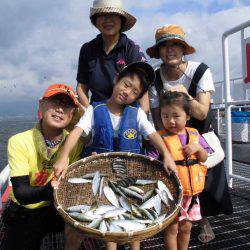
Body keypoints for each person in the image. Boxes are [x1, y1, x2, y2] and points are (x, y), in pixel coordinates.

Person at [53, 61, 177, 250]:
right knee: (109, 227)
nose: (128, 92)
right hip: (100, 179)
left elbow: (153, 136)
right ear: (116, 80)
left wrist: (166, 155)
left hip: (131, 179)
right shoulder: (94, 110)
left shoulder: (137, 114)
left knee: (135, 225)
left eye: (135, 92)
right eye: (126, 85)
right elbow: (76, 132)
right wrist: (63, 158)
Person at [146, 24, 233, 243]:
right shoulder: (155, 78)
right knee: (177, 178)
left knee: (201, 178)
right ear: (158, 52)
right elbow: (157, 118)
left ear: (184, 48)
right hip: (171, 131)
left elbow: (202, 113)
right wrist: (166, 146)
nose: (170, 49)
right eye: (164, 46)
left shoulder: (200, 70)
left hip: (200, 133)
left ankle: (204, 221)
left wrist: (185, 95)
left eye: (176, 44)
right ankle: (173, 217)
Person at [1, 84, 83, 250]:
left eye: (66, 106)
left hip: (57, 210)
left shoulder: (76, 145)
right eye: (55, 102)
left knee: (79, 226)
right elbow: (21, 193)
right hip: (26, 210)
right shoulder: (19, 141)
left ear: (72, 114)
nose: (60, 109)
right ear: (41, 104)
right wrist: (49, 190)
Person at [76, 0, 149, 112]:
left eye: (113, 15)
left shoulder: (131, 49)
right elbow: (81, 86)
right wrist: (90, 112)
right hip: (97, 114)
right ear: (95, 20)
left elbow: (142, 90)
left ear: (121, 19)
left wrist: (140, 118)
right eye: (102, 15)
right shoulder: (87, 49)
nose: (108, 20)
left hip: (127, 117)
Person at [158, 91, 209, 250]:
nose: (170, 121)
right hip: (172, 194)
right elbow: (151, 160)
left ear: (187, 116)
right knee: (172, 228)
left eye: (176, 116)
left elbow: (204, 157)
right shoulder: (160, 138)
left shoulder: (195, 135)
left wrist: (198, 148)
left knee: (186, 227)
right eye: (165, 116)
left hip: (192, 195)